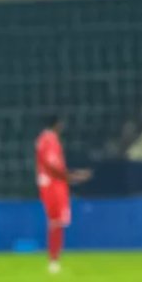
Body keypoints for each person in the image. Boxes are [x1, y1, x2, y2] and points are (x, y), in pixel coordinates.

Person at [35, 115, 91, 274]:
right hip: (53, 185)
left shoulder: (42, 139)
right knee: (57, 222)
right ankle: (54, 261)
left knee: (56, 222)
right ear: (57, 125)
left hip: (49, 183)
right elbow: (52, 166)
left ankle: (54, 259)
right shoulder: (50, 140)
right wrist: (73, 176)